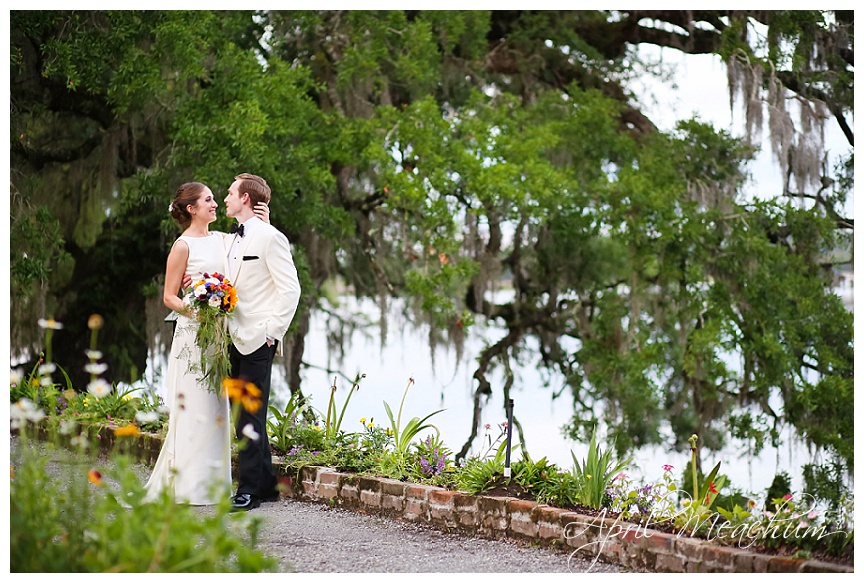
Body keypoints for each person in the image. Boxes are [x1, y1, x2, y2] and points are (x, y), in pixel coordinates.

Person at [145, 181, 270, 505]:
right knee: (195, 406)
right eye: (208, 200)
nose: (215, 204)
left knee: (217, 409)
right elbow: (169, 296)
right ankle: (187, 485)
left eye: (216, 199)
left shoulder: (223, 240)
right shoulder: (182, 246)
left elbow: (249, 256)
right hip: (195, 335)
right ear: (192, 209)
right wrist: (197, 308)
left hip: (220, 337)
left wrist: (265, 223)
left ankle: (213, 485)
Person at [222, 172, 301, 512]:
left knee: (249, 416)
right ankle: (266, 484)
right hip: (230, 337)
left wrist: (271, 332)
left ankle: (249, 489)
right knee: (241, 413)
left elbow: (290, 289)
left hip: (257, 340)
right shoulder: (233, 238)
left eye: (229, 193)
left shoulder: (271, 238)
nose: (225, 198)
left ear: (245, 199)